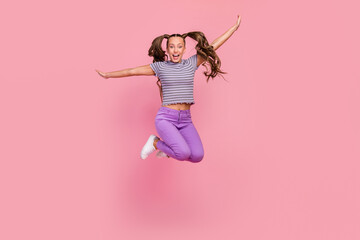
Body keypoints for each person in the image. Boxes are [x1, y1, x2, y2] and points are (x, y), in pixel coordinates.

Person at [96, 15, 241, 163]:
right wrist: (108, 75)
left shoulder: (191, 64)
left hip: (185, 120)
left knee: (197, 156)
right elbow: (132, 71)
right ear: (167, 49)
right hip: (166, 118)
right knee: (183, 153)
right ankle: (155, 143)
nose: (175, 50)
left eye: (179, 46)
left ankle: (167, 150)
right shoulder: (160, 67)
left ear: (184, 49)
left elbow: (213, 46)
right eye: (171, 46)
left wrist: (233, 29)